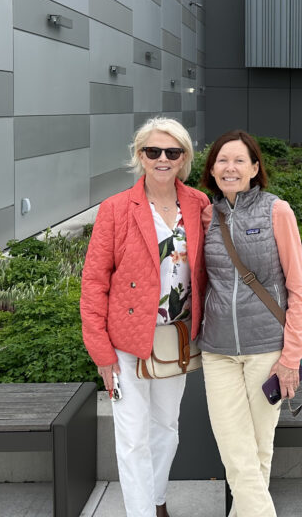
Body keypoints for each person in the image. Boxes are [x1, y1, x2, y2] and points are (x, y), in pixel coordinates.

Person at [80, 117, 210, 517]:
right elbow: (93, 283)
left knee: (167, 430)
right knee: (132, 437)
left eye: (172, 152)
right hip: (126, 343)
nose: (162, 159)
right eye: (153, 151)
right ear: (140, 155)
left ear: (184, 158)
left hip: (176, 338)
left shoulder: (198, 204)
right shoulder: (116, 209)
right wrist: (101, 353)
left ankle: (156, 501)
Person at [198, 130, 302, 517]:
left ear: (255, 168)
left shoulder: (277, 211)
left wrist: (291, 357)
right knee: (236, 451)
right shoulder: (205, 215)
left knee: (259, 449)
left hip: (267, 349)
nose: (230, 167)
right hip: (218, 350)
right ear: (211, 169)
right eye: (222, 160)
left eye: (239, 160)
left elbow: (297, 289)